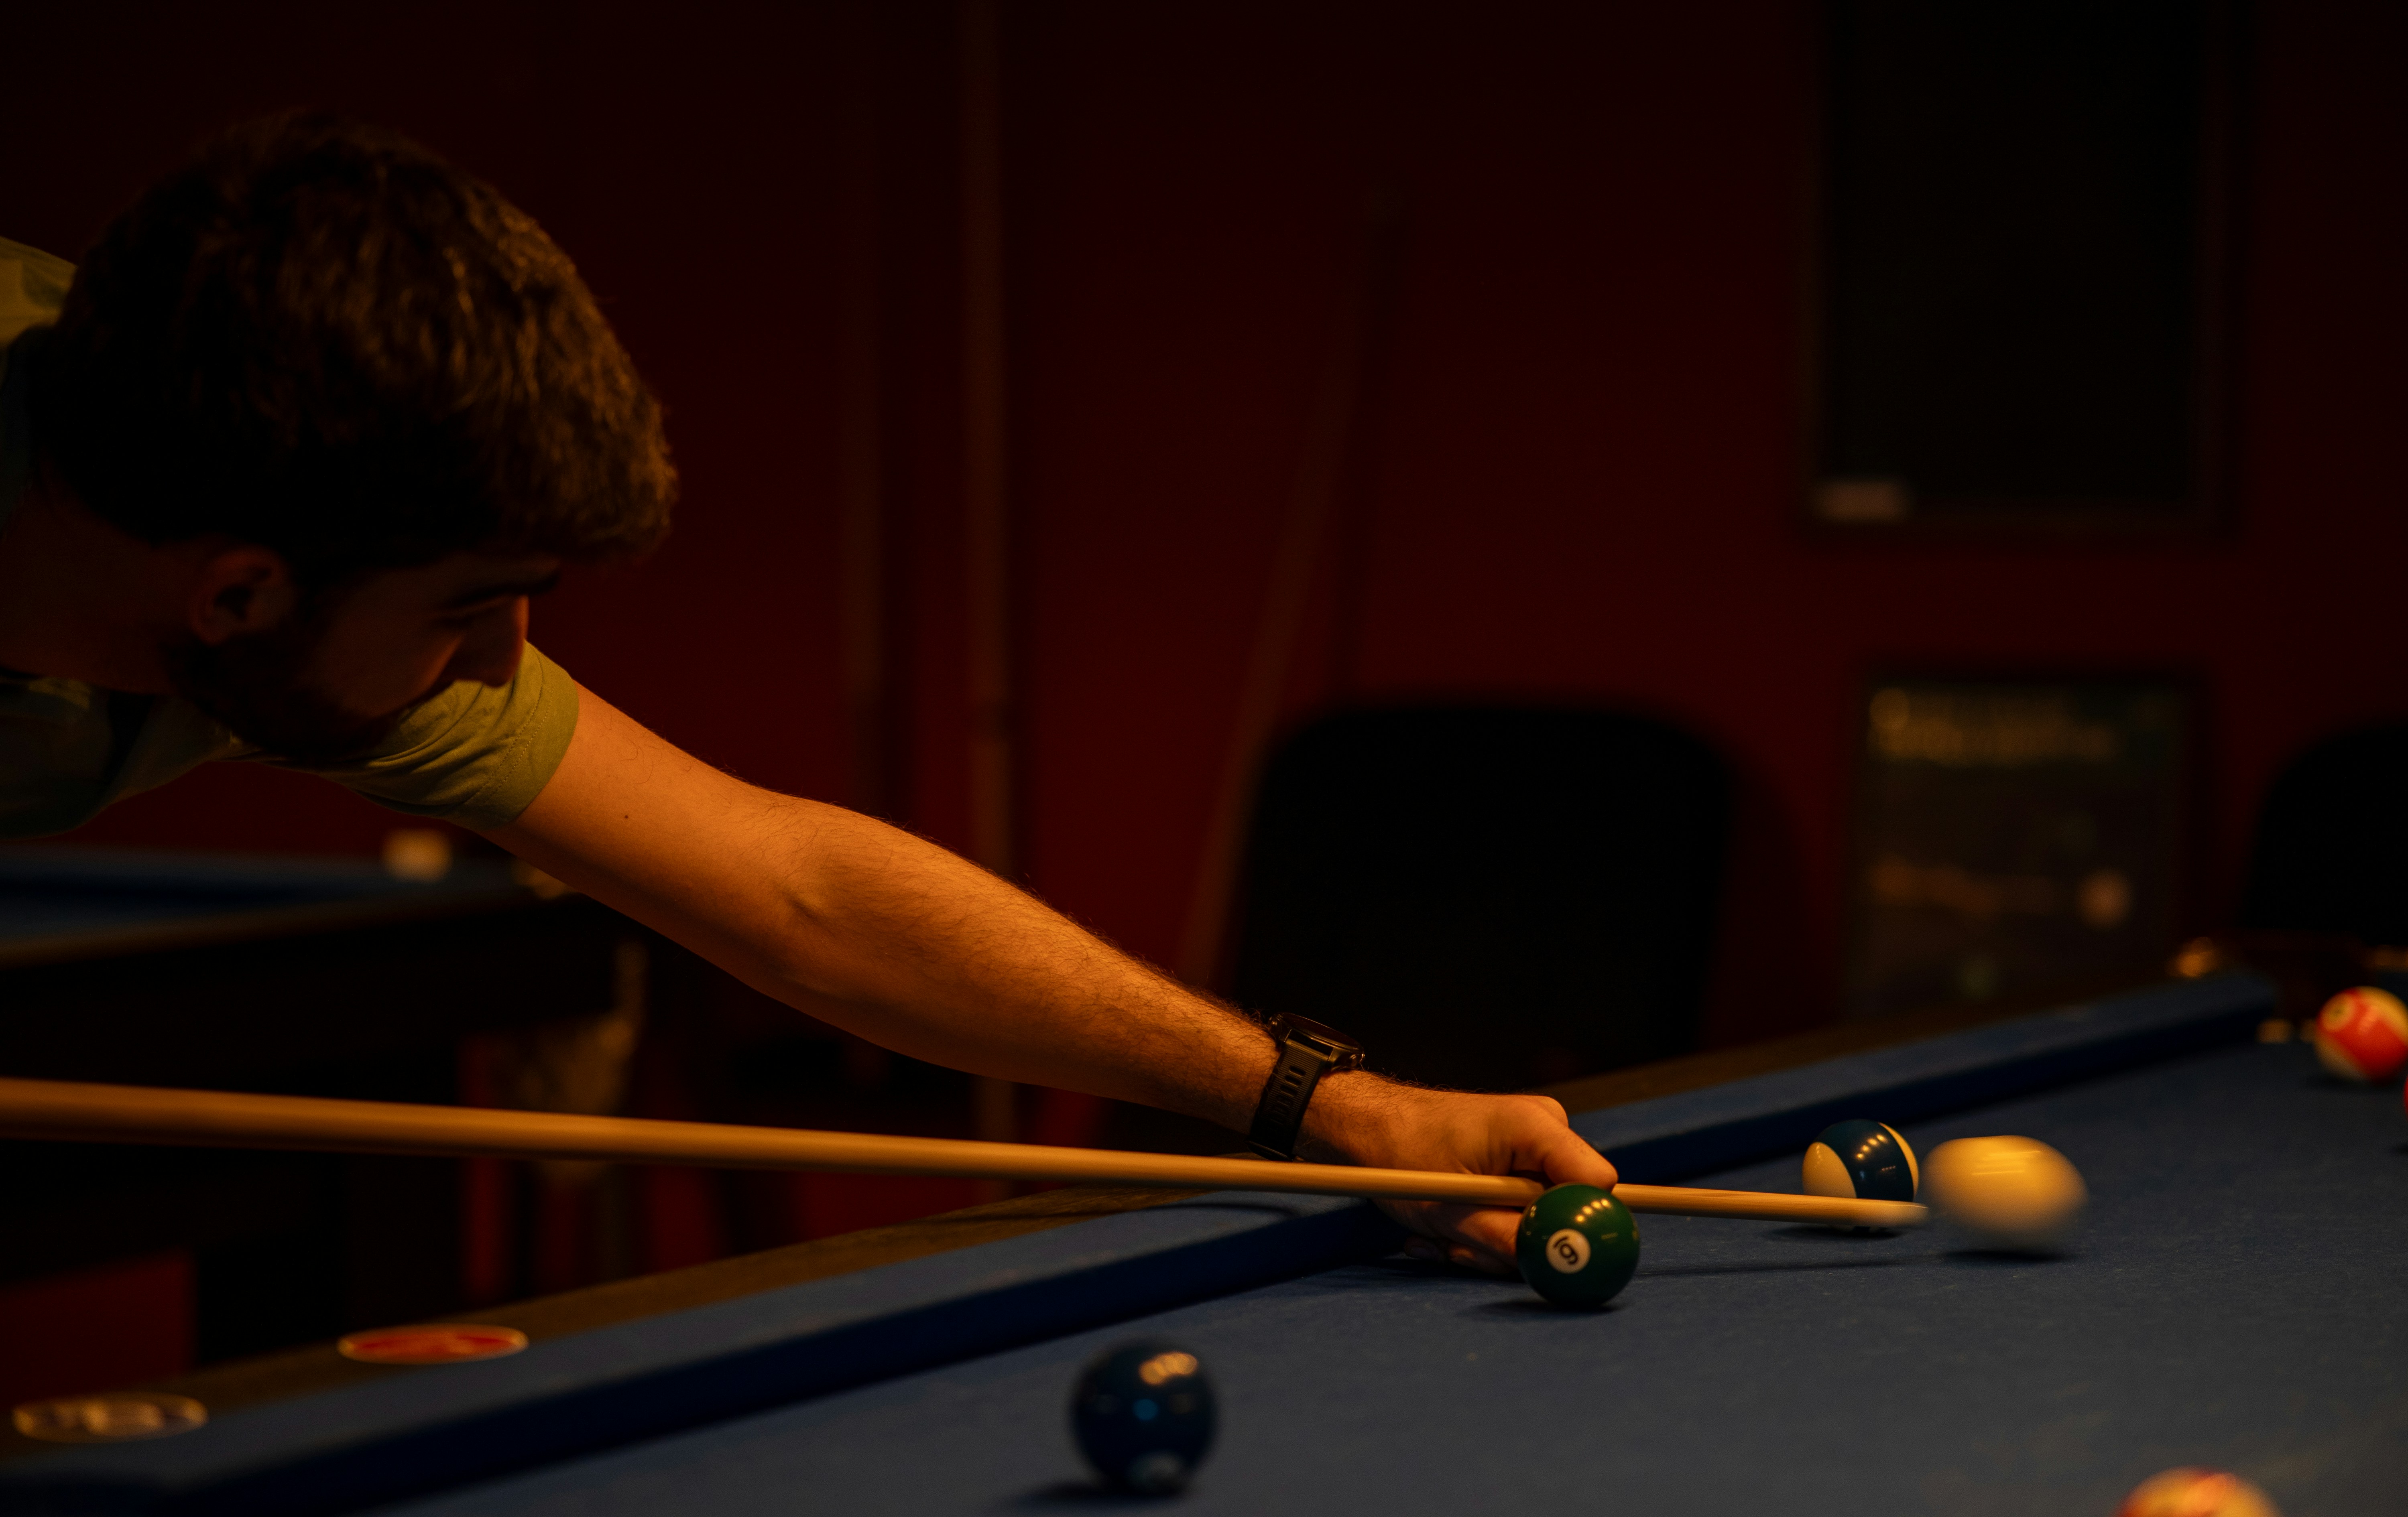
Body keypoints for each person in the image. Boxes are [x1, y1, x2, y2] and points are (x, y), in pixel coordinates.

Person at [0, 113, 1614, 1275]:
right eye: (475, 611)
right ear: (235, 592)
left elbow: (798, 893)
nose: (498, 670)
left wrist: (1334, 1103)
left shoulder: (274, 564)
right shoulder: (248, 551)